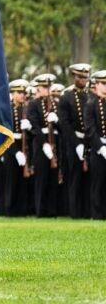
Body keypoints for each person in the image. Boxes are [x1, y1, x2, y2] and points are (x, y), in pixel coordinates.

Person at [58, 63, 91, 219]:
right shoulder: (66, 97)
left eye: (85, 77)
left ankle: (87, 210)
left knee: (88, 178)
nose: (83, 79)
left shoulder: (90, 96)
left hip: (89, 140)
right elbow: (65, 124)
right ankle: (75, 212)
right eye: (80, 77)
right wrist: (76, 144)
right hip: (73, 142)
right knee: (75, 177)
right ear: (74, 77)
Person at [27, 74, 60, 218]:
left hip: (55, 143)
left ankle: (52, 209)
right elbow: (34, 126)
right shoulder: (33, 104)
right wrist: (44, 144)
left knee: (53, 178)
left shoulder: (55, 103)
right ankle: (40, 210)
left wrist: (56, 120)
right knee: (41, 178)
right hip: (40, 144)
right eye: (44, 87)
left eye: (48, 87)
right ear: (38, 88)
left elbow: (62, 126)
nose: (47, 90)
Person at [3, 79, 30, 217]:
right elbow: (5, 133)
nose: (22, 95)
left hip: (23, 146)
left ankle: (22, 209)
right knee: (11, 180)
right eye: (19, 92)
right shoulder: (7, 109)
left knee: (23, 181)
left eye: (24, 93)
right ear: (12, 94)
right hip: (10, 147)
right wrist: (15, 151)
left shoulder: (26, 110)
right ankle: (10, 209)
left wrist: (29, 127)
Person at [84, 69, 106, 219]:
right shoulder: (91, 104)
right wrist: (101, 147)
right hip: (98, 150)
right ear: (96, 85)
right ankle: (96, 214)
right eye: (103, 83)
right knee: (97, 183)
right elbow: (90, 129)